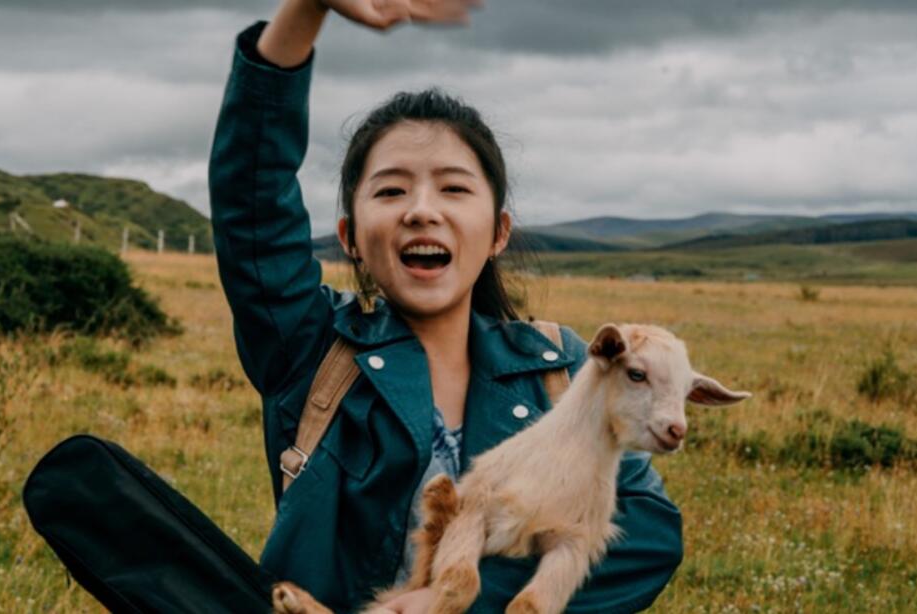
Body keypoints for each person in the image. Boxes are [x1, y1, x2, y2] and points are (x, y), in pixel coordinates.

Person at [209, 0, 683, 611]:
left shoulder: (561, 371)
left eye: (455, 188)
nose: (421, 210)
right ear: (351, 236)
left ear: (498, 232)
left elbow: (644, 537)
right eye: (391, 189)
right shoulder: (310, 349)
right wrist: (307, 6)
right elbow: (253, 203)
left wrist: (453, 598)